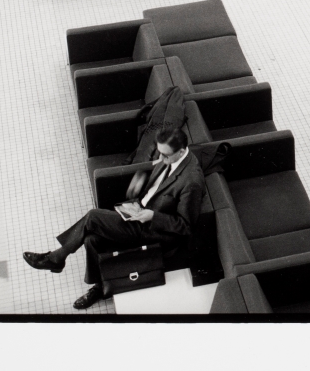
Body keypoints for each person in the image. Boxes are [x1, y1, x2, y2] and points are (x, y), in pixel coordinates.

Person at [23, 128, 204, 310]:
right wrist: (143, 176)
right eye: (160, 153)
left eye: (165, 155)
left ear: (181, 151)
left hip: (154, 230)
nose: (161, 158)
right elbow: (160, 172)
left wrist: (153, 216)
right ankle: (100, 287)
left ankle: (57, 258)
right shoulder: (170, 157)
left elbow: (186, 226)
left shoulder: (191, 180)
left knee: (93, 217)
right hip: (140, 211)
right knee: (90, 239)